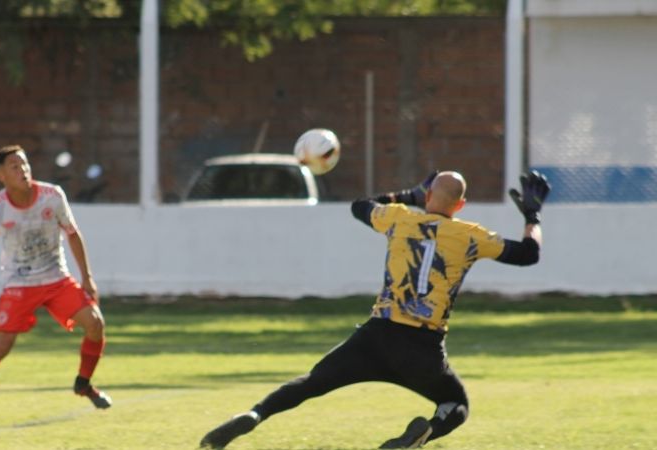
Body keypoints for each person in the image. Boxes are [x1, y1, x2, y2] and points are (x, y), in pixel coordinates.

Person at [199, 170, 551, 449]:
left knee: (311, 383)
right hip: (422, 349)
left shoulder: (399, 219)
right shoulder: (471, 235)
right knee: (456, 404)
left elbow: (360, 205)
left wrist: (409, 196)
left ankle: (256, 413)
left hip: (376, 337)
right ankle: (425, 433)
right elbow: (528, 254)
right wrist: (532, 215)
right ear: (460, 205)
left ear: (429, 195)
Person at [0, 145, 112, 420]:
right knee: (2, 345)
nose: (23, 170)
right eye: (14, 166)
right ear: (1, 175)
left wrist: (87, 277)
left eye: (24, 164)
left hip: (56, 278)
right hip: (19, 283)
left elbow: (72, 234)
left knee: (95, 323)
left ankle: (83, 383)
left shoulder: (52, 196)